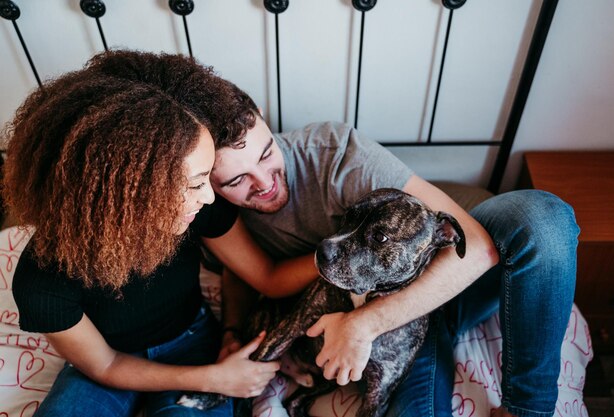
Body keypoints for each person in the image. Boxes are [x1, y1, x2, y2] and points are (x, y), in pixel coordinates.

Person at [86, 51, 579, 417]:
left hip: (450, 283)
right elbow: (245, 275)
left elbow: (477, 249)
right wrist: (234, 332)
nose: (265, 183)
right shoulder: (202, 207)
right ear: (202, 181)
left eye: (265, 153)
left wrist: (363, 324)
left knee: (546, 220)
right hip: (403, 335)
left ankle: (526, 409)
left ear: (263, 122)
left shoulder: (337, 155)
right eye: (236, 181)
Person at [1, 53, 324, 417]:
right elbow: (104, 365)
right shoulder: (41, 281)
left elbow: (266, 277)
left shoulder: (198, 211)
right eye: (195, 184)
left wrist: (339, 255)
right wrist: (212, 380)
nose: (208, 196)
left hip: (192, 340)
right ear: (129, 194)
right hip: (105, 363)